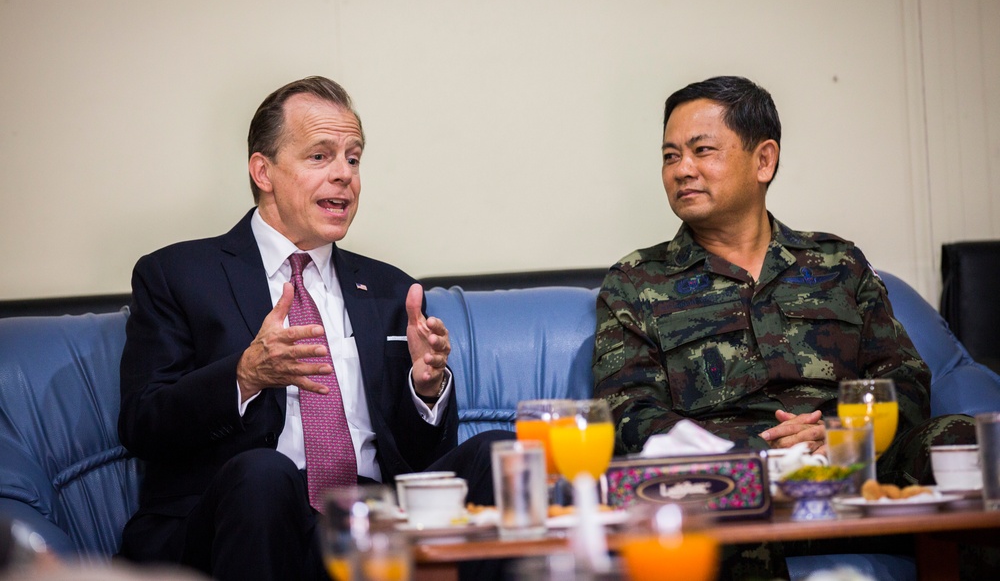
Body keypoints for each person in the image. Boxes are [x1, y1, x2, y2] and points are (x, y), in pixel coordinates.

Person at [117, 76, 508, 581]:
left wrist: (425, 391)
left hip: (372, 518)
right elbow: (143, 422)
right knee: (265, 474)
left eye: (353, 157)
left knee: (501, 452)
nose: (344, 174)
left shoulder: (391, 290)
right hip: (249, 514)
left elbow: (420, 462)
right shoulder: (178, 275)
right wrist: (245, 375)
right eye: (320, 156)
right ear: (264, 171)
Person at [592, 75, 977, 576]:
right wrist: (751, 460)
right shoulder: (636, 281)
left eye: (701, 150)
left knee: (961, 442)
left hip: (854, 471)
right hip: (733, 485)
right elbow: (628, 412)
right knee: (712, 499)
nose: (681, 170)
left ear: (764, 160)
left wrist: (842, 436)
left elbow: (902, 378)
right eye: (669, 156)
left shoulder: (837, 263)